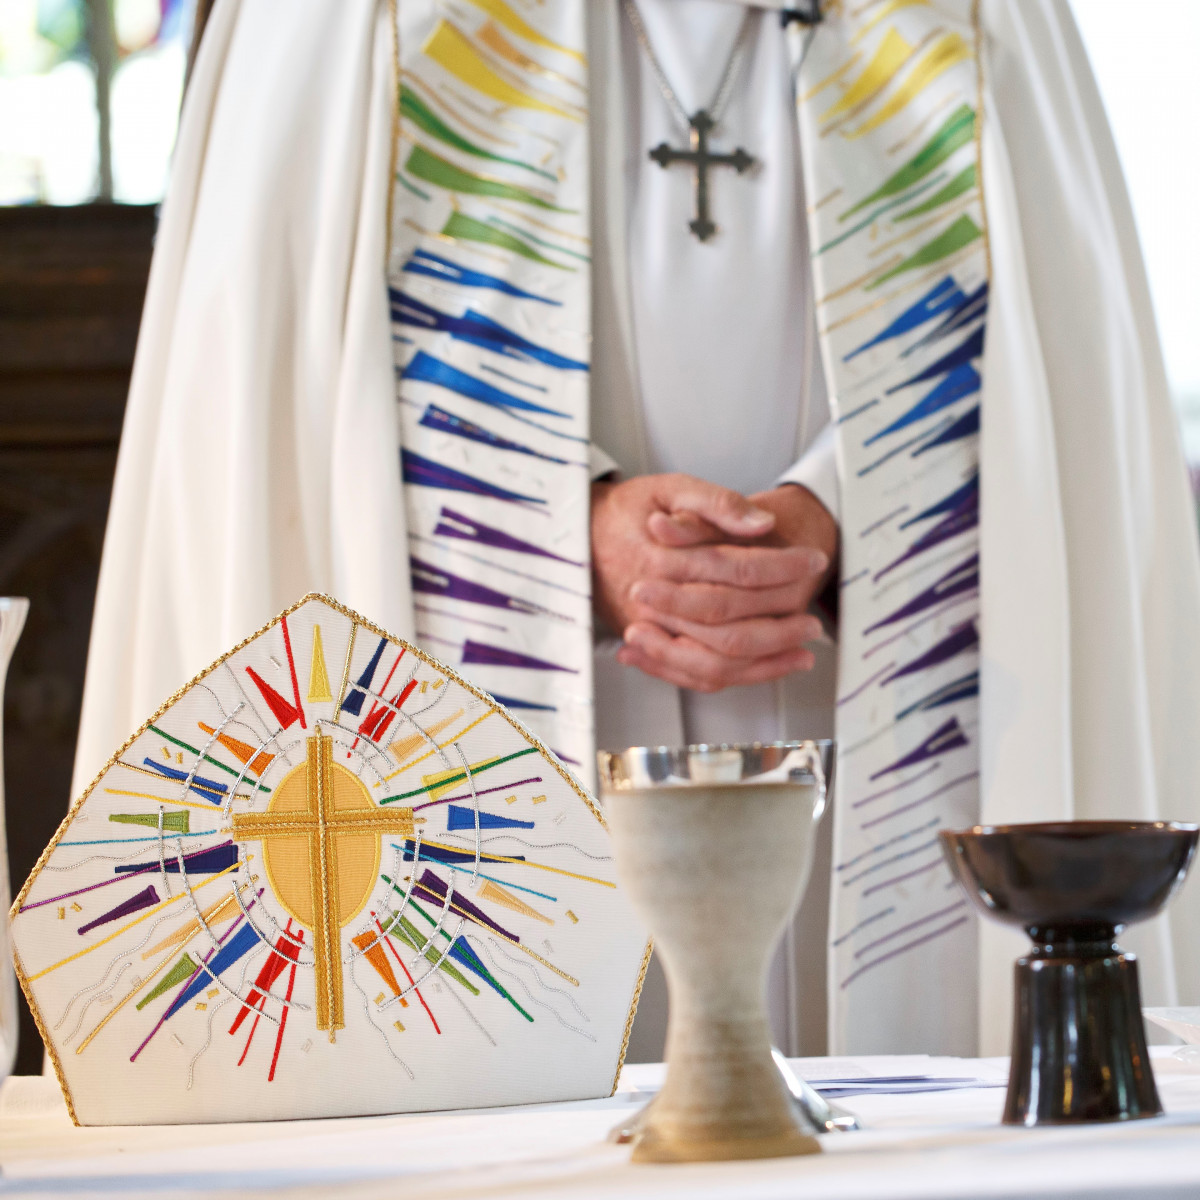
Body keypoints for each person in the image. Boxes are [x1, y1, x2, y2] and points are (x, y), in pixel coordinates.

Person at [57, 0, 1200, 1065]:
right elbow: (278, 396)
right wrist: (563, 529)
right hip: (491, 725)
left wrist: (846, 515)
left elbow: (1061, 376)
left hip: (874, 723)